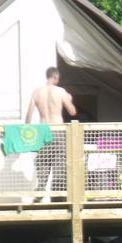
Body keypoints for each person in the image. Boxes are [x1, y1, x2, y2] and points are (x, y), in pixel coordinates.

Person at [27, 67, 76, 198]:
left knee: (43, 160)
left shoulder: (36, 93)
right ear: (55, 77)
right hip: (58, 130)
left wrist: (27, 133)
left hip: (43, 130)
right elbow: (72, 112)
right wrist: (69, 99)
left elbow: (29, 117)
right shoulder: (60, 92)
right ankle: (58, 194)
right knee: (59, 160)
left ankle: (41, 188)